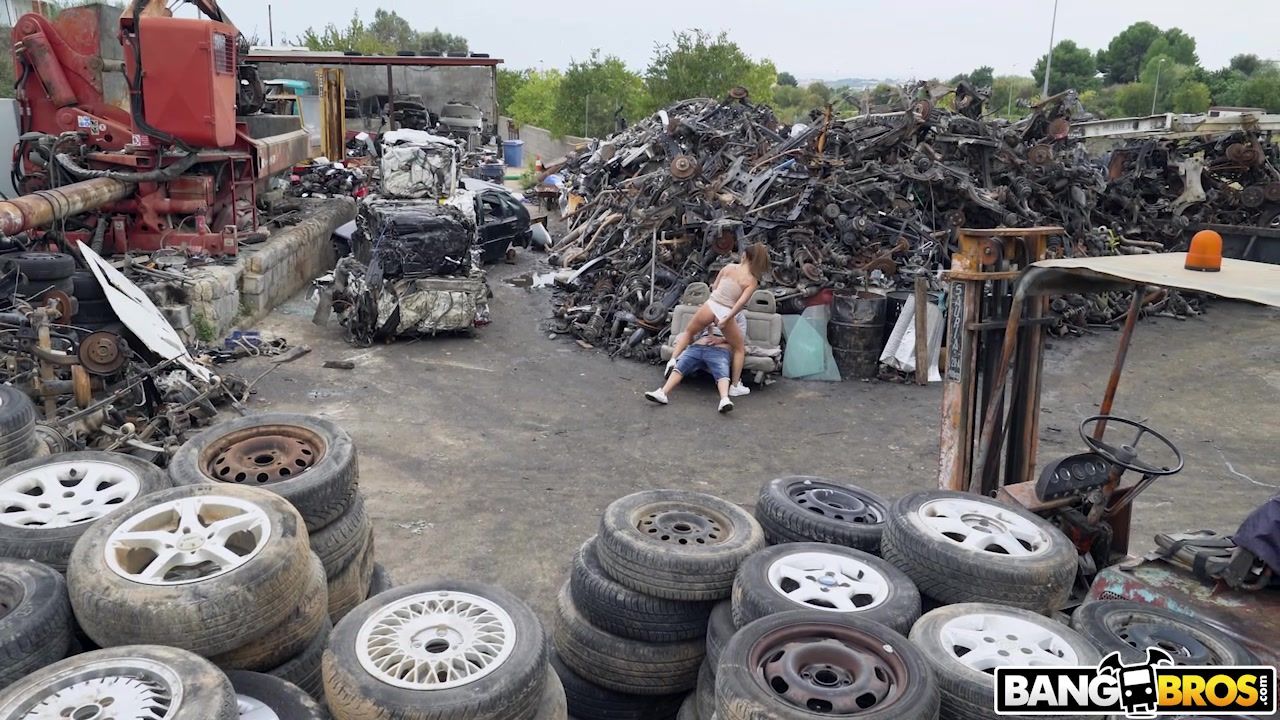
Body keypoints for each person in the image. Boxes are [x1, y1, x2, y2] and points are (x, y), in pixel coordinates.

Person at [666, 243, 770, 397]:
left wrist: (713, 305)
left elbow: (715, 288)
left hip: (711, 304)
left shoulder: (728, 267)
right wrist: (728, 317)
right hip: (726, 310)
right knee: (739, 348)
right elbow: (740, 303)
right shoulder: (752, 280)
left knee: (688, 332)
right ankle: (735, 385)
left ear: (744, 256)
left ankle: (673, 359)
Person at [645, 327, 736, 413]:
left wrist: (721, 339)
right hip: (698, 347)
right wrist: (697, 335)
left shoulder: (736, 319)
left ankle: (724, 399)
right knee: (681, 365)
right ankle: (663, 393)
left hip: (720, 350)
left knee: (722, 370)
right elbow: (692, 334)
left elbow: (739, 340)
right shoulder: (706, 317)